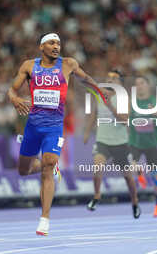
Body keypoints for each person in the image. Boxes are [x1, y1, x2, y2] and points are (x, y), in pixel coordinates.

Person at [8, 33, 107, 236]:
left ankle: (44, 219)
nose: (56, 46)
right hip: (33, 126)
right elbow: (11, 89)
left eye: (59, 43)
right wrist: (14, 99)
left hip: (54, 127)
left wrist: (100, 92)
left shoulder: (68, 64)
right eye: (52, 43)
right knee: (24, 170)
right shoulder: (29, 66)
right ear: (41, 47)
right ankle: (52, 171)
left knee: (49, 162)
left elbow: (86, 79)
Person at [84, 70, 141, 219]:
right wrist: (87, 131)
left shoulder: (124, 98)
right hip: (102, 140)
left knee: (128, 177)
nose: (110, 80)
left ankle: (134, 201)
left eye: (114, 78)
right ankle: (97, 196)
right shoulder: (99, 95)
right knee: (97, 167)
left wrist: (110, 106)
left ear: (121, 83)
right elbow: (93, 114)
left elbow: (124, 120)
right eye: (108, 78)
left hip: (120, 143)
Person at [128, 76, 157, 217]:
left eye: (142, 83)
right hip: (135, 143)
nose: (139, 86)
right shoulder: (132, 102)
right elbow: (124, 119)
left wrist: (155, 112)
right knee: (132, 166)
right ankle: (139, 172)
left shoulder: (156, 102)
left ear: (148, 85)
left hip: (151, 145)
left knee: (156, 179)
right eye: (136, 84)